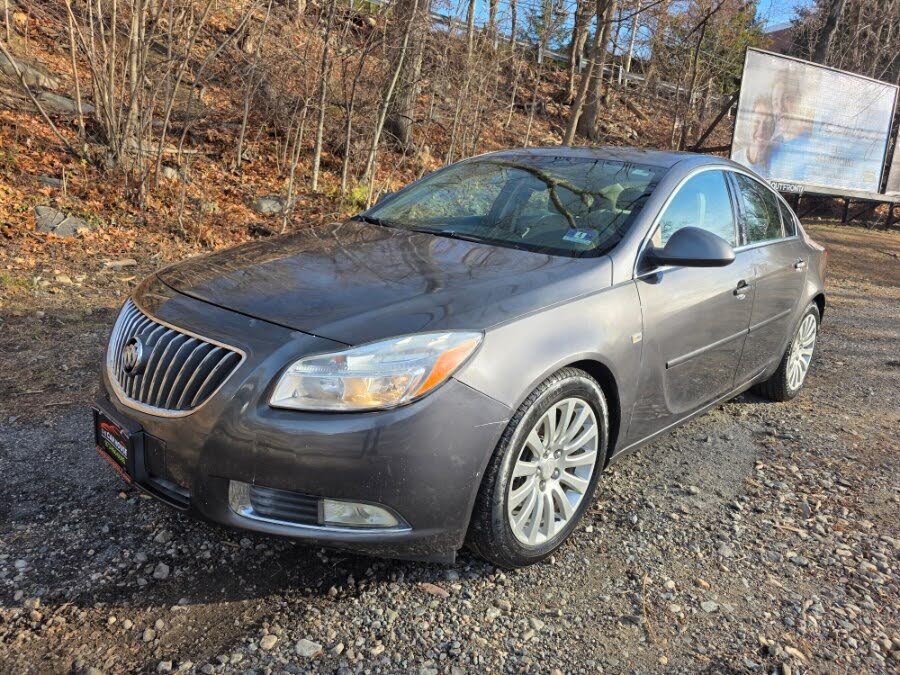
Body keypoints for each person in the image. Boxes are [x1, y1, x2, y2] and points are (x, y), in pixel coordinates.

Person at [733, 95, 775, 175]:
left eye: (767, 123)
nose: (761, 131)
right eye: (757, 122)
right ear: (749, 123)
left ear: (772, 129)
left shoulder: (774, 167)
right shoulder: (735, 161)